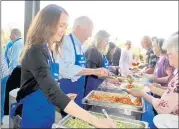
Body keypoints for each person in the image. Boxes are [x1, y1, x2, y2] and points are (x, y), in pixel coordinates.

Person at [10, 5, 116, 128]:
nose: (63, 30)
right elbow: (52, 91)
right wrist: (96, 121)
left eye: (65, 26)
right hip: (33, 115)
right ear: (47, 23)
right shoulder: (35, 51)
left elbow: (44, 85)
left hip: (47, 113)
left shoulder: (47, 51)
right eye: (61, 25)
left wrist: (64, 97)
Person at [54, 16, 110, 107]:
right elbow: (63, 69)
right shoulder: (66, 41)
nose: (91, 35)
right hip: (68, 92)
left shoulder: (81, 47)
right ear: (79, 28)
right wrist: (94, 71)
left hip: (79, 92)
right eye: (89, 30)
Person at [128, 32, 179, 115]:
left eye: (170, 54)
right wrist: (153, 88)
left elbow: (164, 107)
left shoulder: (165, 60)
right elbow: (172, 92)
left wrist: (143, 94)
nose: (171, 63)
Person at [85, 30, 119, 96]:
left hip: (99, 85)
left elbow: (101, 67)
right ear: (99, 40)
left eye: (108, 41)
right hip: (91, 86)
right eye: (105, 41)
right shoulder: (93, 51)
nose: (107, 44)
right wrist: (108, 79)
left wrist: (108, 73)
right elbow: (92, 71)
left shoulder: (101, 52)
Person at [0, 47, 10, 125]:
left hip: (2, 74)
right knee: (1, 97)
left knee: (1, 97)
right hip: (4, 73)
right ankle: (0, 119)